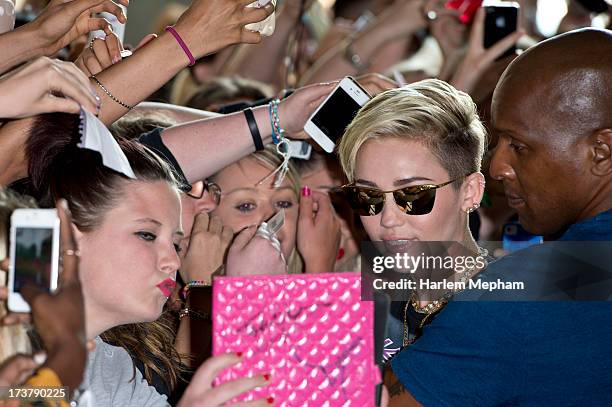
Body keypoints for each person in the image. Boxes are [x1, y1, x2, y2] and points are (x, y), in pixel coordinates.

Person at [385, 28, 612, 406]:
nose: (498, 167)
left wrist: (322, 273)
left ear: (601, 152)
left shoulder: (531, 291)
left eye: (519, 146)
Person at [24, 112, 277, 406]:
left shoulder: (114, 370)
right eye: (146, 235)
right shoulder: (12, 348)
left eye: (175, 242)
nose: (173, 261)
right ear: (68, 235)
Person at [337, 78, 488, 354]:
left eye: (413, 194)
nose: (388, 219)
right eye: (368, 196)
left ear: (470, 192)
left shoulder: (504, 313)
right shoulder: (362, 307)